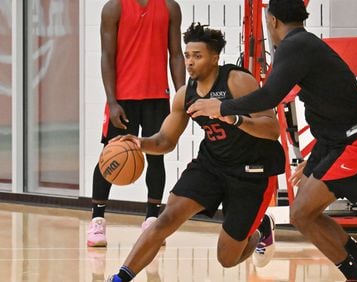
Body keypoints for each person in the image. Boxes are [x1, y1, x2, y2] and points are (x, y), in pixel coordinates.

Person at [187, 0, 357, 281]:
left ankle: (356, 275)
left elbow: (268, 96)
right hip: (335, 141)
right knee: (309, 211)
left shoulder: (296, 46)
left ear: (271, 21)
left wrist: (220, 108)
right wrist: (316, 157)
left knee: (301, 214)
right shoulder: (301, 45)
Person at [105, 23, 285, 282]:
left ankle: (259, 229)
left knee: (227, 258)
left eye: (197, 56)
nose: (189, 62)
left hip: (252, 171)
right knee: (166, 218)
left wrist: (230, 116)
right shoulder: (184, 95)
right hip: (211, 165)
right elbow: (166, 140)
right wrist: (140, 143)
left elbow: (272, 129)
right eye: (187, 55)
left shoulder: (238, 81)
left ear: (214, 58)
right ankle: (121, 277)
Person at [87, 0, 185, 248]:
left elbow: (175, 54)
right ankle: (97, 219)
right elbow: (106, 55)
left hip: (157, 97)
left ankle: (152, 218)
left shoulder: (170, 7)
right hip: (123, 99)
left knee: (156, 157)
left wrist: (183, 93)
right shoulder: (114, 8)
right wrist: (112, 101)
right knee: (111, 154)